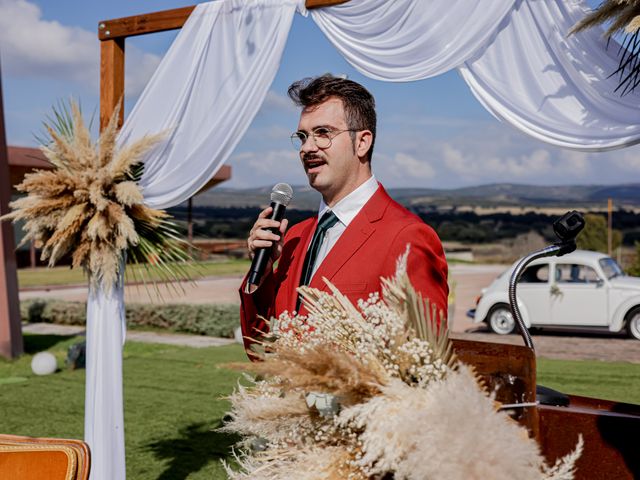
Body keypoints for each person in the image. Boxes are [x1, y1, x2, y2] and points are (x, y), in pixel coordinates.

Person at [239, 74, 448, 355]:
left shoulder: (407, 238)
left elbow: (424, 361)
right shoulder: (294, 237)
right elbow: (260, 349)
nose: (307, 148)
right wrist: (261, 276)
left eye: (323, 133)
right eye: (302, 136)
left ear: (362, 142)